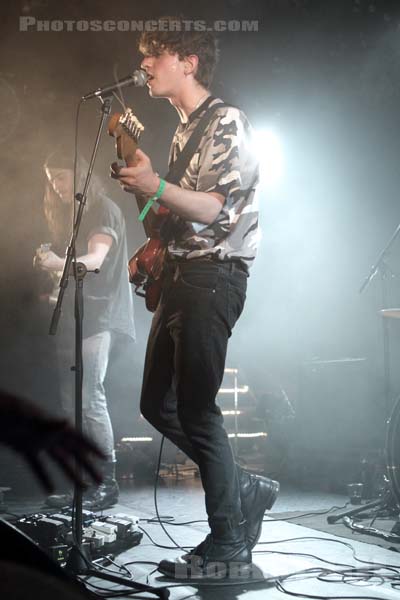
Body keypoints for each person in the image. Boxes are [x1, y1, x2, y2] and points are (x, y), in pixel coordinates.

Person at [111, 21, 279, 579]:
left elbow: (213, 210)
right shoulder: (184, 133)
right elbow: (169, 218)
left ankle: (230, 541)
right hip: (183, 275)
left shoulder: (227, 120)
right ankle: (243, 487)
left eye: (154, 56)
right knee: (155, 404)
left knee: (198, 408)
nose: (146, 66)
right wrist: (144, 192)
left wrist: (156, 186)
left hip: (214, 278)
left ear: (187, 62)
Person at [35, 151, 135, 510]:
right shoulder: (73, 216)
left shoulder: (103, 209)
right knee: (70, 402)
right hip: (76, 317)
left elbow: (94, 262)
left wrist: (57, 263)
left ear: (79, 176)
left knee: (89, 397)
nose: (56, 187)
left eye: (60, 178)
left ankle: (106, 484)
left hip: (100, 317)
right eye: (51, 181)